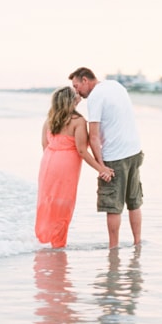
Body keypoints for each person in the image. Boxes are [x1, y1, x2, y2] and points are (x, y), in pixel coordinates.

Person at [68, 67, 144, 248]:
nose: (76, 91)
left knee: (113, 206)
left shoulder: (95, 97)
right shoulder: (115, 85)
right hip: (134, 151)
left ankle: (113, 249)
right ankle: (137, 243)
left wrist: (101, 167)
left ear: (85, 80)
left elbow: (93, 136)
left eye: (76, 86)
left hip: (115, 156)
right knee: (134, 202)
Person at [35, 86, 114, 249]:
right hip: (66, 165)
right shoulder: (78, 121)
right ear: (71, 100)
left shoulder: (49, 120)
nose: (79, 95)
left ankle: (47, 238)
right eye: (75, 94)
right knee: (64, 202)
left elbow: (45, 145)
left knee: (48, 200)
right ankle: (58, 244)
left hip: (48, 162)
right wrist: (101, 168)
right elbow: (82, 150)